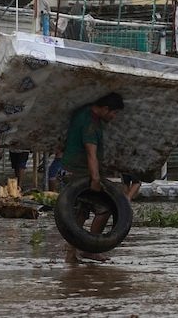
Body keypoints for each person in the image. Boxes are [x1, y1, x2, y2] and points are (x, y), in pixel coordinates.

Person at [60, 92, 124, 263]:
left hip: (69, 168)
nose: (114, 117)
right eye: (114, 113)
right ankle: (90, 249)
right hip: (81, 172)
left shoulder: (82, 112)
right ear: (105, 109)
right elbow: (91, 154)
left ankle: (71, 255)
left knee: (80, 213)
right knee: (104, 208)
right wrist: (95, 179)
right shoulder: (91, 125)